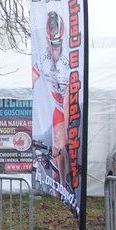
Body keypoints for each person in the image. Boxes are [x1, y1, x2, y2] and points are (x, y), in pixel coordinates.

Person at [32, 10, 72, 189]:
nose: (54, 49)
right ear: (47, 40)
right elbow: (32, 79)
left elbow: (68, 100)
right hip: (57, 106)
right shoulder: (43, 57)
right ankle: (58, 184)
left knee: (62, 144)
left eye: (58, 45)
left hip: (69, 105)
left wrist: (66, 132)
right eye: (51, 44)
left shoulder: (68, 61)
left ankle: (65, 182)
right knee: (56, 147)